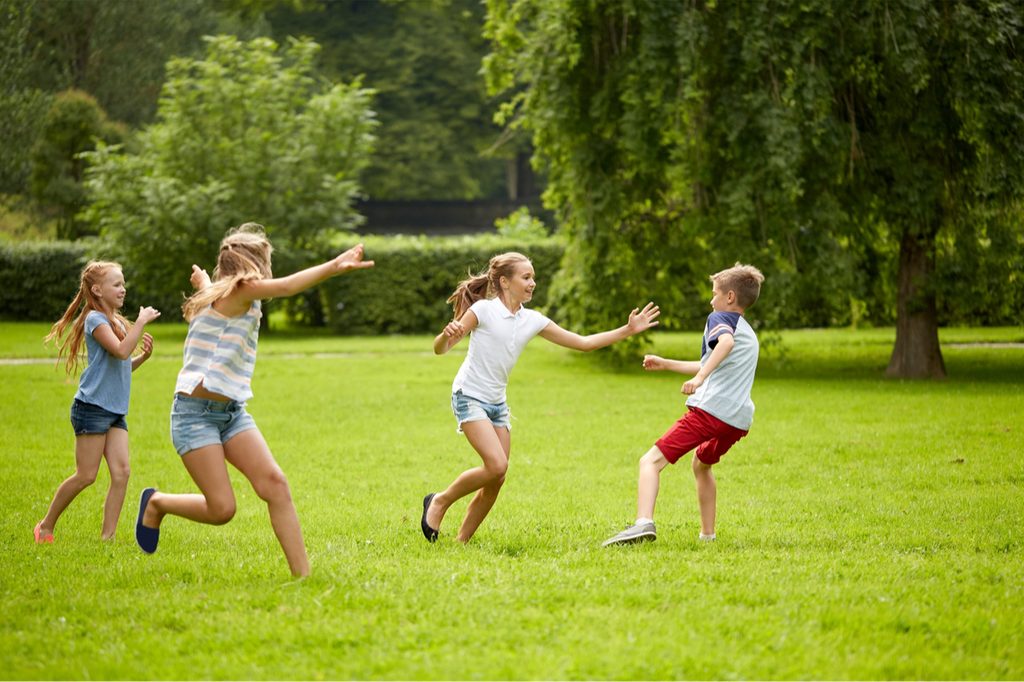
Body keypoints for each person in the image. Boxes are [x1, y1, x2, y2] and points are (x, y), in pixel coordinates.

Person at [134, 223, 373, 578]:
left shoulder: (218, 293)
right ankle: (156, 503)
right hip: (194, 416)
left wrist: (203, 282)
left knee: (275, 484)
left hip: (231, 412)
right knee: (222, 510)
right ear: (254, 265)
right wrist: (334, 266)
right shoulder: (243, 290)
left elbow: (216, 298)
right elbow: (288, 286)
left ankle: (303, 576)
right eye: (267, 261)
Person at [421, 251, 660, 544]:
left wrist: (628, 329)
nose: (532, 283)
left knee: (497, 478)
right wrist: (445, 336)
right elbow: (441, 349)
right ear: (505, 282)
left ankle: (462, 542)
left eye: (533, 277)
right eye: (526, 277)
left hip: (497, 404)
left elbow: (583, 343)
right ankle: (440, 501)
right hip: (469, 395)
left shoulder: (531, 320)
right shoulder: (483, 311)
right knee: (496, 465)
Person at [602, 263, 764, 547]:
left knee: (650, 461)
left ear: (729, 297)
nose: (711, 300)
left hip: (710, 412)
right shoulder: (748, 333)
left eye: (714, 294)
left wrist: (699, 379)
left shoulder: (719, 318)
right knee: (701, 464)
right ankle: (708, 536)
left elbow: (724, 344)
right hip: (737, 421)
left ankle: (643, 523)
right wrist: (666, 363)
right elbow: (712, 361)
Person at [35, 261, 160, 544]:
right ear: (97, 290)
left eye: (123, 283)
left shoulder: (117, 322)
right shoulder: (95, 320)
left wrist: (143, 357)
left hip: (115, 411)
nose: (123, 289)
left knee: (122, 473)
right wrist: (140, 322)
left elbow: (122, 365)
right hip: (92, 408)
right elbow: (120, 351)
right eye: (116, 284)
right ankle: (45, 526)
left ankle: (108, 538)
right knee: (86, 475)